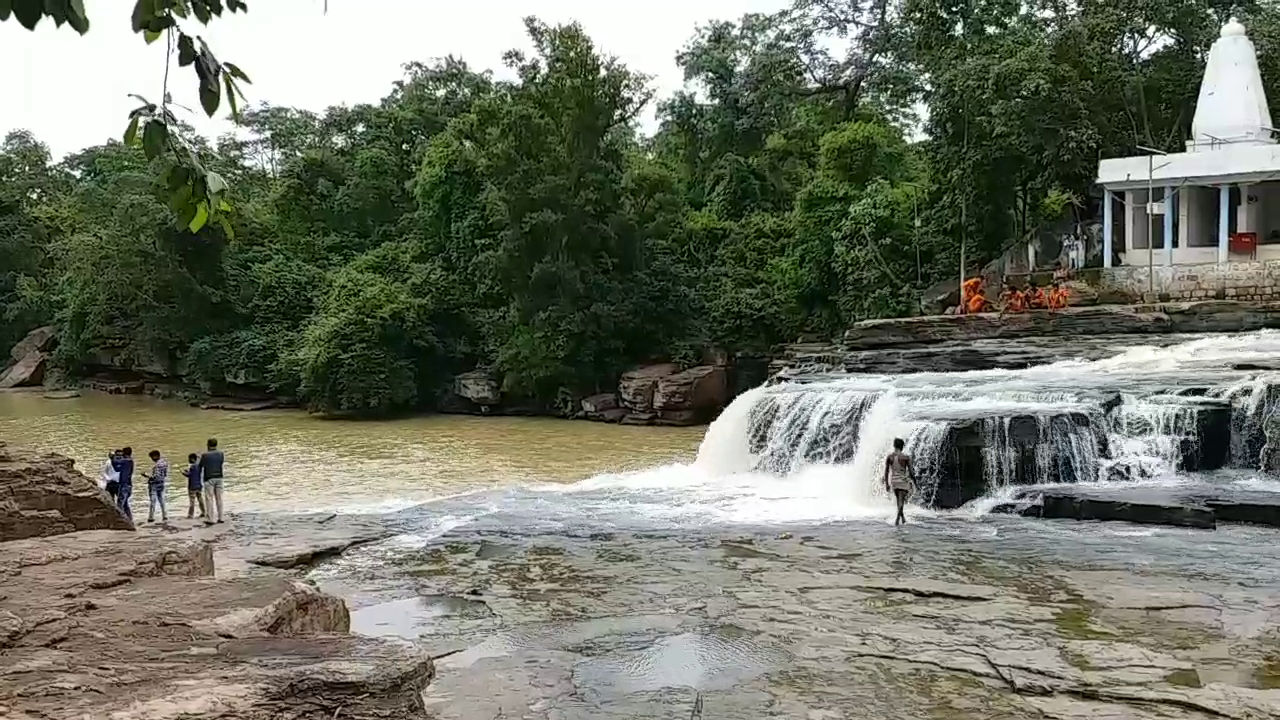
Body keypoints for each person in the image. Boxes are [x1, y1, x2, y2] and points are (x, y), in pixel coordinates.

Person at [883, 438, 915, 527]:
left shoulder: (890, 457)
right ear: (902, 446)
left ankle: (903, 519)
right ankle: (897, 520)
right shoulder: (906, 457)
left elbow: (886, 472)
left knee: (899, 501)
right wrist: (914, 481)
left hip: (894, 482)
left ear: (894, 446)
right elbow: (911, 472)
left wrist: (887, 484)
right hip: (903, 481)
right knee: (902, 501)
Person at [199, 438, 226, 525]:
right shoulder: (221, 454)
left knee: (209, 498)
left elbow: (201, 466)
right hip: (219, 477)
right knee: (219, 498)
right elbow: (221, 463)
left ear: (208, 445)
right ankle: (221, 517)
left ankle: (210, 518)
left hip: (209, 478)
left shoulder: (204, 455)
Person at [142, 449, 169, 524]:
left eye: (152, 457)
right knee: (162, 500)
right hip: (162, 483)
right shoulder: (164, 463)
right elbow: (165, 474)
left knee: (153, 501)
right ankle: (165, 515)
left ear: (155, 456)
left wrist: (146, 475)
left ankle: (151, 517)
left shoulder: (157, 465)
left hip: (154, 484)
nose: (152, 459)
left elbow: (155, 476)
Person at [111, 447, 135, 522]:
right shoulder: (128, 461)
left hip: (125, 485)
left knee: (120, 504)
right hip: (125, 485)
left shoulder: (128, 460)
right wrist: (113, 459)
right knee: (125, 504)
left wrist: (113, 457)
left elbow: (116, 462)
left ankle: (121, 521)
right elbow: (116, 468)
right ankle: (129, 520)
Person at [181, 452, 206, 520]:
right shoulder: (199, 466)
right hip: (199, 486)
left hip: (192, 487)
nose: (188, 460)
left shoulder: (192, 466)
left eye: (189, 459)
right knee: (200, 500)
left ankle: (190, 515)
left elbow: (190, 475)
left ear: (192, 459)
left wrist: (183, 472)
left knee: (192, 501)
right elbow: (194, 473)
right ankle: (204, 512)